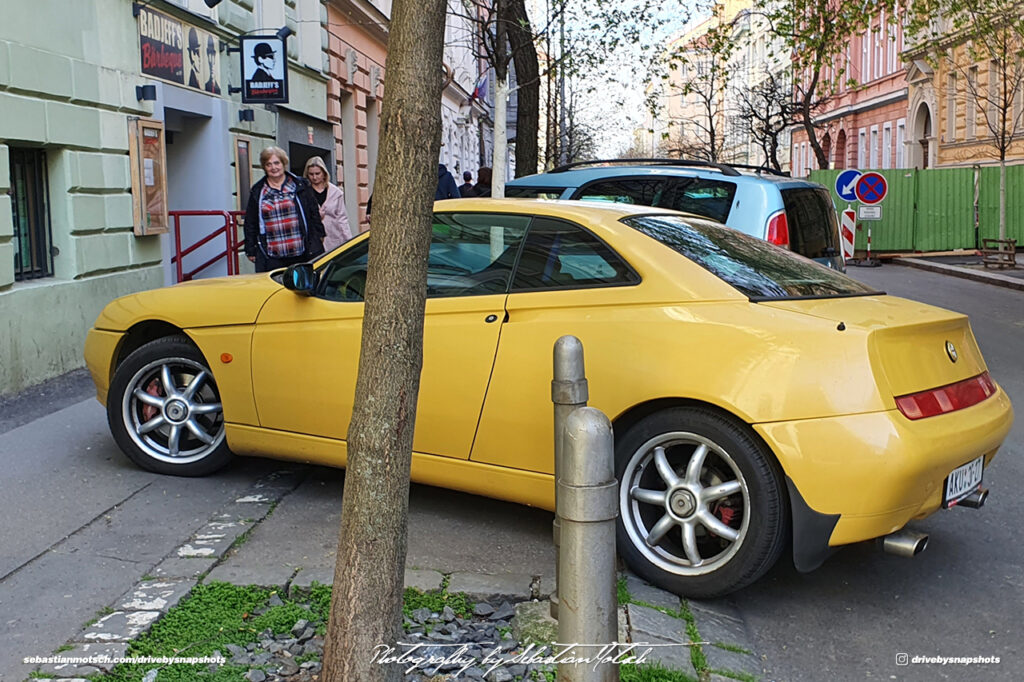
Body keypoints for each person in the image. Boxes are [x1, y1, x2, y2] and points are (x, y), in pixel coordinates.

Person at [244, 146, 325, 272]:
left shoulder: (300, 185)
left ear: (283, 163)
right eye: (268, 164)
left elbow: (313, 212)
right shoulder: (259, 191)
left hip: (301, 252)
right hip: (272, 255)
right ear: (264, 167)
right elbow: (251, 221)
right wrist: (250, 248)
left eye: (277, 163)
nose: (273, 168)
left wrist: (319, 235)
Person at [303, 156, 351, 252]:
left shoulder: (336, 192)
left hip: (334, 239)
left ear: (324, 174)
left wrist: (349, 241)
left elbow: (342, 219)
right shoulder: (304, 192)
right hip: (314, 241)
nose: (314, 177)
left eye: (317, 173)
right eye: (311, 174)